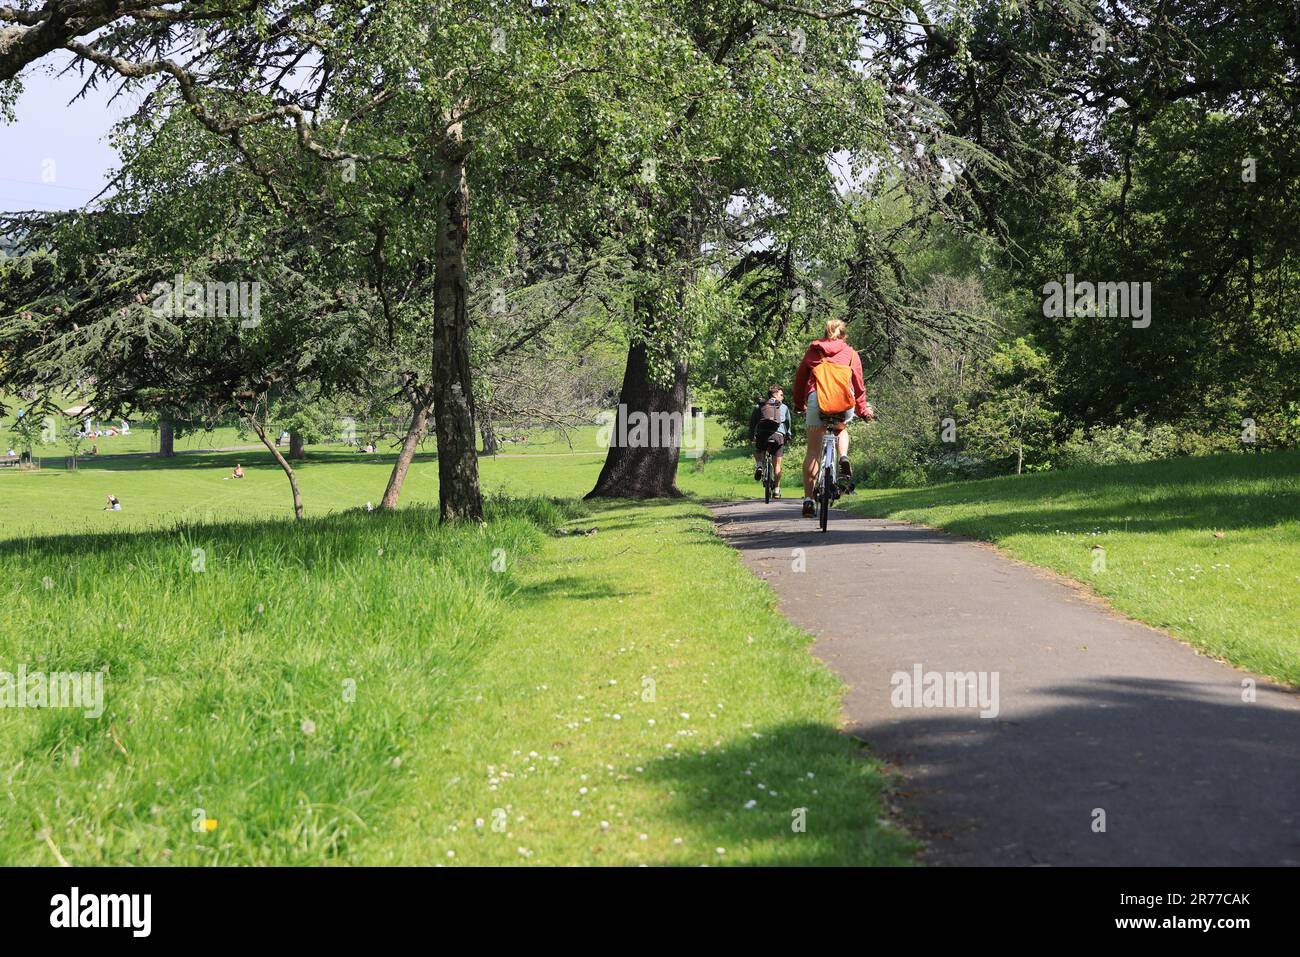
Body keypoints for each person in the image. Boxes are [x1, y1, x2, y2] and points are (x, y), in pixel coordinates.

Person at [792, 318, 874, 518]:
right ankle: (843, 455)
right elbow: (859, 386)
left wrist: (798, 404)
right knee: (841, 428)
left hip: (817, 399)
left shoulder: (814, 351)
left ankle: (809, 500)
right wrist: (863, 411)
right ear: (844, 336)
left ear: (825, 333)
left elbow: (801, 379)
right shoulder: (851, 354)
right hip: (843, 402)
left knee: (813, 452)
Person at [748, 385, 792, 498]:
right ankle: (777, 490)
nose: (783, 397)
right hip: (778, 436)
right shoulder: (784, 407)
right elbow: (787, 424)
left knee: (758, 450)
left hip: (762, 434)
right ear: (776, 395)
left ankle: (759, 465)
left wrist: (751, 436)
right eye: (781, 395)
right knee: (777, 465)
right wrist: (788, 435)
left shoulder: (760, 406)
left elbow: (753, 424)